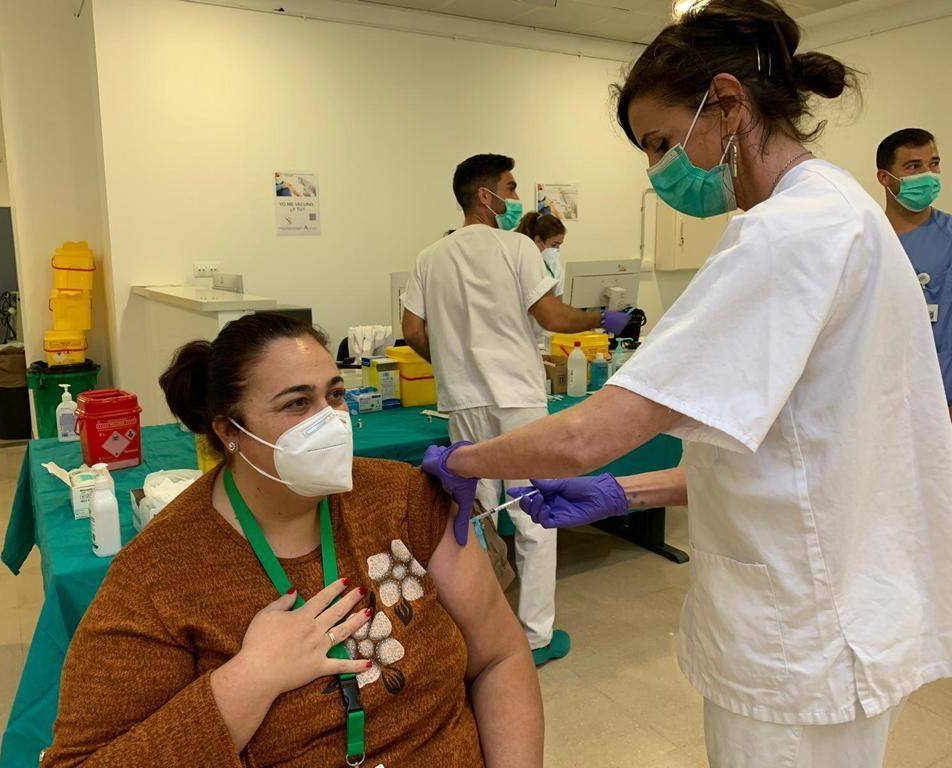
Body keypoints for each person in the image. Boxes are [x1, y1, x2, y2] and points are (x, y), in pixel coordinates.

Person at [421, 2, 952, 766]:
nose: (658, 170)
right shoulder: (844, 213)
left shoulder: (785, 234)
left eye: (662, 142)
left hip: (801, 636)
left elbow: (587, 434)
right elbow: (798, 452)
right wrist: (629, 494)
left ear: (728, 105)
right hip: (838, 607)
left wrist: (460, 462)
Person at [40, 312, 542, 768]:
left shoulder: (401, 498)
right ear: (229, 431)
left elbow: (500, 656)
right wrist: (249, 680)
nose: (331, 421)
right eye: (297, 403)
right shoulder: (160, 576)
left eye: (335, 395)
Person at [401, 154, 631, 666]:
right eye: (510, 186)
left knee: (476, 515)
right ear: (486, 195)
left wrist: (452, 365)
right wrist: (604, 316)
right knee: (535, 515)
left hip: (464, 401)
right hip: (518, 399)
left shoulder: (429, 257)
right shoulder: (517, 247)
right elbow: (551, 315)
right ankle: (534, 636)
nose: (516, 197)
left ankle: (484, 628)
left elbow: (413, 332)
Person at [876, 128, 951, 418]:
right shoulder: (867, 240)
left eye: (933, 163)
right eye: (913, 166)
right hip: (883, 402)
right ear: (885, 177)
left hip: (943, 404)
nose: (928, 175)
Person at [517, 212, 567, 296]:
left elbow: (559, 296)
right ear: (538, 240)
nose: (557, 249)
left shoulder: (554, 265)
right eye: (554, 245)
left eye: (559, 245)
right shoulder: (521, 261)